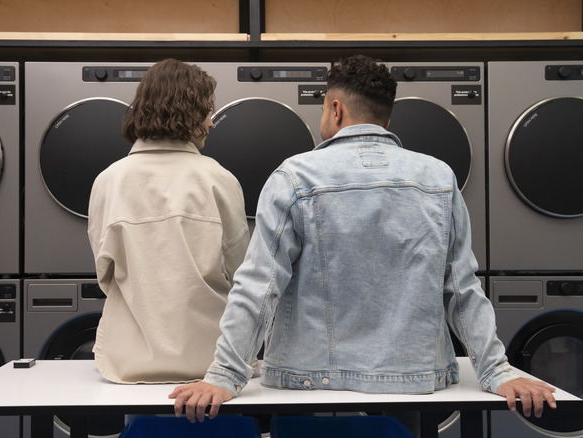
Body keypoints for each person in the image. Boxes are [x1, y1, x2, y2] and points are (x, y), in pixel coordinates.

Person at [169, 55, 557, 428]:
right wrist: (496, 370)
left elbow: (259, 285)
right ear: (386, 118)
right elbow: (463, 288)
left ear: (336, 110)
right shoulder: (438, 177)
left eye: (323, 109)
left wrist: (223, 375)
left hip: (308, 384)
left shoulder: (294, 177)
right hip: (411, 383)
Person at [87, 59, 250, 384]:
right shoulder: (220, 180)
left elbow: (104, 275)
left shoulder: (109, 181)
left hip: (128, 363)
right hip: (211, 364)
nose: (211, 123)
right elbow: (242, 274)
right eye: (206, 112)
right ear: (187, 114)